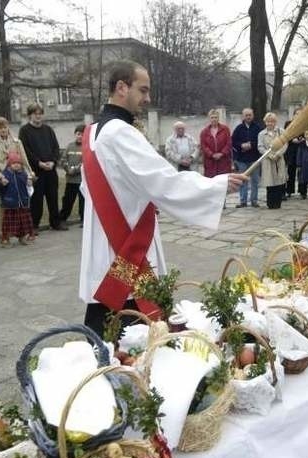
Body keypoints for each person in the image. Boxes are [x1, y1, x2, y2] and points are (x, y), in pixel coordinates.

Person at [80, 60, 246, 336]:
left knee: (105, 319)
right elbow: (163, 181)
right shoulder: (121, 132)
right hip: (126, 237)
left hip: (103, 236)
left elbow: (89, 190)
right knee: (133, 322)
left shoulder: (91, 133)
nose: (147, 98)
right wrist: (217, 185)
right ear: (122, 87)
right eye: (142, 90)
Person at [0, 117, 35, 248]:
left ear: (8, 127)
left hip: (18, 178)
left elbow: (24, 159)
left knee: (21, 208)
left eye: (5, 127)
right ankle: (5, 237)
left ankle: (22, 235)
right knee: (5, 209)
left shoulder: (17, 141)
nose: (3, 130)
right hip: (4, 179)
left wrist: (29, 174)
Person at [19, 104, 65, 232]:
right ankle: (34, 226)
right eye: (35, 113)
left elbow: (56, 148)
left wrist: (53, 162)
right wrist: (39, 163)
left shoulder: (48, 130)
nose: (38, 116)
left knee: (53, 198)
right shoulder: (24, 131)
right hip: (36, 171)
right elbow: (25, 151)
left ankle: (55, 223)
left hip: (50, 170)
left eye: (40, 113)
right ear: (30, 115)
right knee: (36, 200)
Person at [0, 151, 34, 247]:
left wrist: (31, 181)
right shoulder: (5, 174)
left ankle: (22, 237)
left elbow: (29, 185)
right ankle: (5, 239)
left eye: (19, 163)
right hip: (10, 204)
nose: (16, 165)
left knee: (22, 223)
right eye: (14, 163)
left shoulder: (23, 174)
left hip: (23, 203)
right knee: (8, 224)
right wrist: (1, 183)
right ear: (9, 164)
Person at [231, 108, 262, 208]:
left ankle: (254, 200)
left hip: (254, 158)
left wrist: (251, 145)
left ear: (253, 115)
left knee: (255, 180)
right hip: (242, 159)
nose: (248, 117)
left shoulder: (257, 128)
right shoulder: (238, 128)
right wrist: (241, 145)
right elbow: (233, 142)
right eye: (246, 115)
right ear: (243, 116)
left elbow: (260, 141)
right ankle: (243, 201)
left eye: (250, 115)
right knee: (243, 180)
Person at [258, 112, 288, 210]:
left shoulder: (281, 131)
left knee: (278, 181)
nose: (270, 123)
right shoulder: (261, 134)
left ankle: (277, 202)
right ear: (265, 122)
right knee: (270, 181)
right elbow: (260, 147)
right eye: (268, 121)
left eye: (272, 121)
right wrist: (269, 154)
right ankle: (270, 203)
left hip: (278, 159)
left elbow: (285, 144)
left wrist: (278, 154)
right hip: (268, 160)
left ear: (275, 122)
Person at [58, 124, 85, 228]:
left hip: (82, 181)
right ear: (75, 134)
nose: (80, 136)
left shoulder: (86, 147)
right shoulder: (69, 146)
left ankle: (84, 220)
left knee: (83, 202)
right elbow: (63, 160)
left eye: (82, 134)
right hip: (70, 181)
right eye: (78, 134)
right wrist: (67, 168)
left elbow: (85, 163)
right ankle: (62, 219)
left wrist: (74, 170)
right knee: (68, 201)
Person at [199, 109, 232, 179]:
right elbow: (203, 146)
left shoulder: (225, 129)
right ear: (209, 119)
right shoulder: (204, 132)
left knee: (223, 181)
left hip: (223, 160)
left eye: (216, 117)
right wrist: (211, 154)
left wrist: (222, 153)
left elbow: (228, 143)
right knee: (211, 182)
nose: (214, 119)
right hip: (210, 161)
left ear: (218, 118)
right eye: (212, 117)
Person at [283, 107, 303, 198]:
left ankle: (302, 191)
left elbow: (307, 134)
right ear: (294, 115)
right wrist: (292, 140)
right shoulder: (288, 123)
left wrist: (301, 139)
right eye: (296, 114)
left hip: (301, 150)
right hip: (290, 150)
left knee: (301, 171)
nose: (298, 115)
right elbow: (285, 135)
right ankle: (289, 191)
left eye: (300, 114)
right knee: (291, 171)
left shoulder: (304, 123)